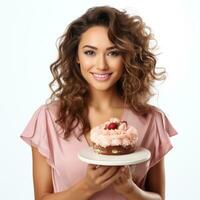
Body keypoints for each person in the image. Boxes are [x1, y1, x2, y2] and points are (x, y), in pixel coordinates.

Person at [20, 5, 177, 200]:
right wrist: (87, 187)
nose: (101, 65)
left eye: (113, 53)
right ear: (76, 56)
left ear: (127, 56)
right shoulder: (48, 119)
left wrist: (131, 191)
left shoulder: (151, 120)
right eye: (90, 52)